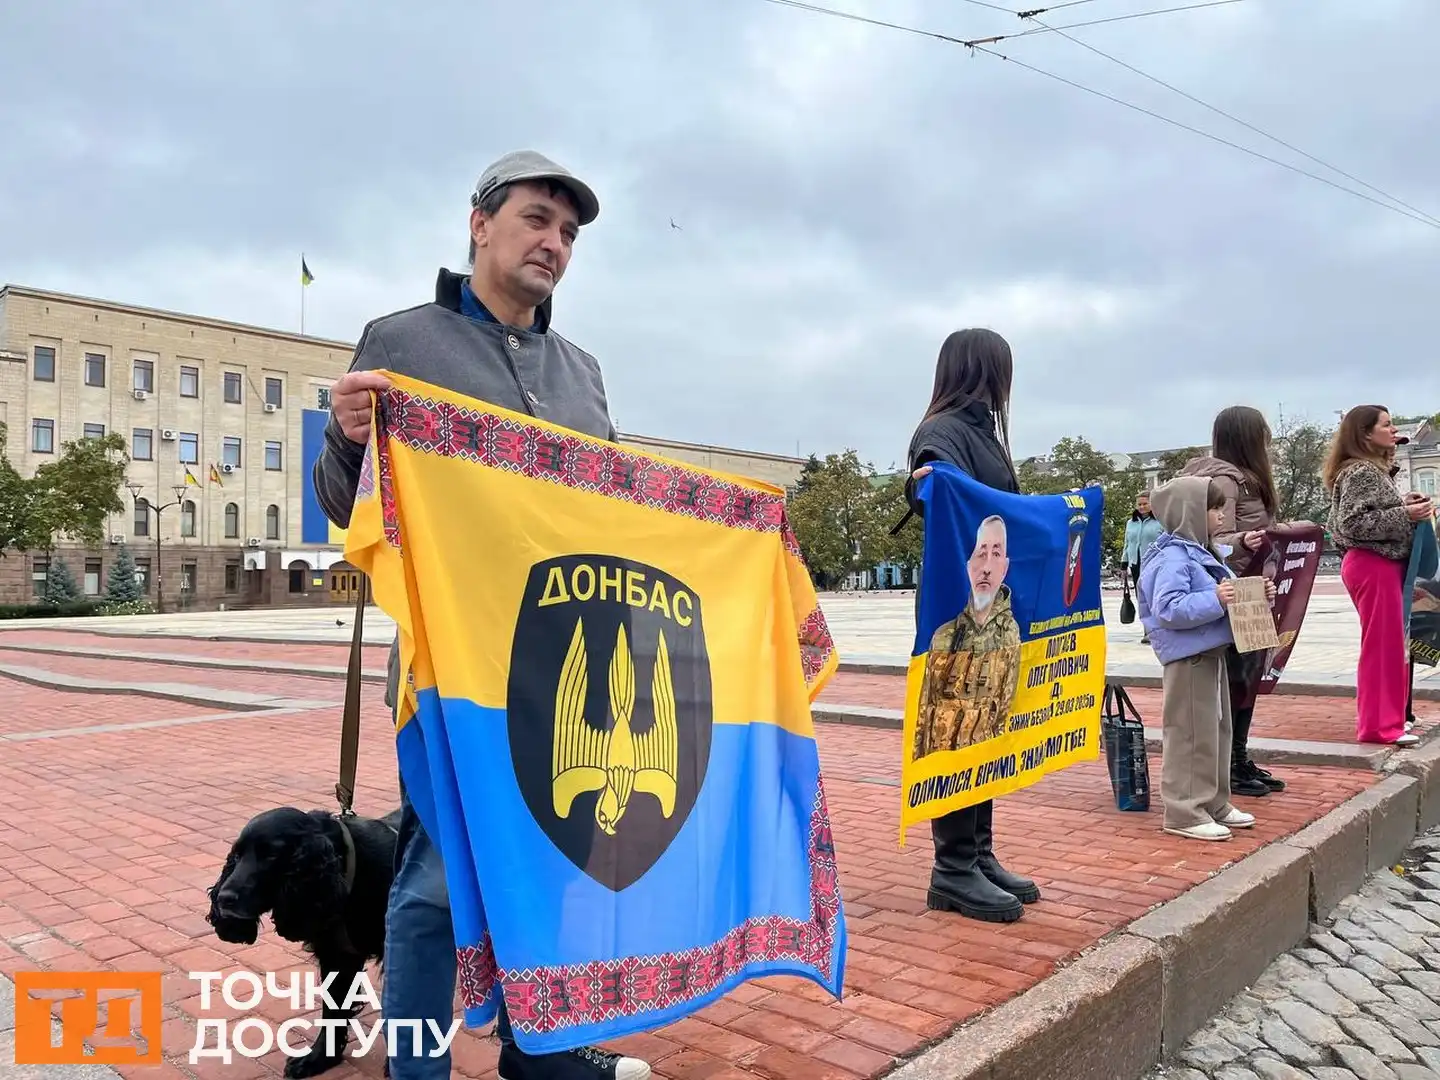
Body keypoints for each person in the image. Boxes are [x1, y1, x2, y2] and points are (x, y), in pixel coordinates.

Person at [313, 150, 651, 1080]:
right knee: (433, 885)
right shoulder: (403, 341)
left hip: (572, 671)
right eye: (538, 219)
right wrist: (345, 441)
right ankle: (415, 1069)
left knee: (558, 874)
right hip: (455, 672)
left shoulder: (581, 372)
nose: (555, 243)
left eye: (570, 233)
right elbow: (347, 506)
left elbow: (605, 512)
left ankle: (543, 1049)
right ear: (479, 223)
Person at [903, 328, 1040, 924]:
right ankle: (951, 866)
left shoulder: (983, 433)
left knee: (983, 728)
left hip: (990, 612)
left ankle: (978, 853)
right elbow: (934, 482)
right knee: (956, 728)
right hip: (956, 614)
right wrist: (925, 481)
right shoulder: (942, 432)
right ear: (984, 369)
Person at [1137, 476, 1274, 841]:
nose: (1220, 515)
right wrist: (1218, 598)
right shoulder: (1171, 558)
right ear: (1190, 512)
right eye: (1212, 508)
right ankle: (1184, 810)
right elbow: (1168, 608)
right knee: (1190, 734)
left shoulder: (1199, 551)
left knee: (1215, 731)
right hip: (1190, 658)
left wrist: (1256, 593)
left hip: (1209, 654)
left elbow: (1223, 594)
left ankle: (1213, 801)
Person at [1180, 405, 1289, 798]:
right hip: (1236, 591)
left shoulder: (1241, 479)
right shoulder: (1226, 480)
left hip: (1250, 590)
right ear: (1248, 437)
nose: (1268, 442)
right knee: (1237, 680)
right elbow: (1209, 539)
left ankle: (1238, 757)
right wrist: (1244, 541)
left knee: (1245, 678)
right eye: (1263, 434)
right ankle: (1230, 762)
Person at [1323, 405, 1432, 749]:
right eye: (1387, 425)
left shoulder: (1368, 470)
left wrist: (1402, 504)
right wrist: (1406, 513)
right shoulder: (1361, 472)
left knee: (1389, 645)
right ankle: (1379, 726)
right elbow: (1352, 523)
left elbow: (1363, 516)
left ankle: (1390, 719)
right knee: (1382, 646)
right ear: (1365, 433)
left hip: (1374, 563)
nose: (1394, 429)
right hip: (1374, 564)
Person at [915, 515, 1023, 758]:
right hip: (942, 769)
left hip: (982, 765)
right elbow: (923, 713)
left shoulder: (1010, 633)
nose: (986, 567)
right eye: (980, 553)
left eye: (996, 554)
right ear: (968, 564)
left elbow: (1006, 713)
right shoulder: (943, 636)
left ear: (1005, 568)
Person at [1122, 494, 1163, 645]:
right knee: (1142, 598)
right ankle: (1147, 630)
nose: (1141, 507)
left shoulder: (1160, 521)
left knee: (1155, 596)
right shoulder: (1130, 523)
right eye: (1139, 504)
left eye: (1145, 504)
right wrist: (1123, 564)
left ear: (1151, 504)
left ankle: (1159, 629)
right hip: (1136, 564)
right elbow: (1127, 544)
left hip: (1155, 564)